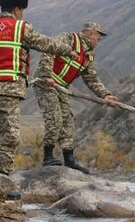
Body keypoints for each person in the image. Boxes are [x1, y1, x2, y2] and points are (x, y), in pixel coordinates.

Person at [0, 0, 74, 194]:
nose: (22, 13)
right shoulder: (22, 28)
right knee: (9, 136)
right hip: (9, 91)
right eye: (21, 9)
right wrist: (68, 51)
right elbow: (46, 44)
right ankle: (2, 181)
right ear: (16, 9)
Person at [33, 22, 118, 174]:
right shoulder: (68, 39)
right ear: (90, 33)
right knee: (55, 118)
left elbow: (91, 78)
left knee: (67, 121)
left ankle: (69, 159)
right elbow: (49, 50)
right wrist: (46, 75)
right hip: (46, 84)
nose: (98, 41)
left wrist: (105, 95)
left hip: (62, 89)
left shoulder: (88, 55)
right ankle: (48, 157)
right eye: (98, 37)